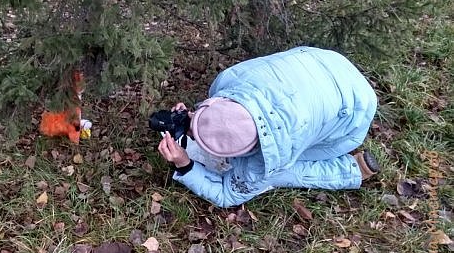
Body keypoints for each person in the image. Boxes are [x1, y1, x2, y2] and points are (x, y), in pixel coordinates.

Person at [157, 46, 379, 208]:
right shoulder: (228, 81)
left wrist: (184, 165)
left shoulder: (266, 158)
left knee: (277, 171)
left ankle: (348, 171)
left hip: (357, 109)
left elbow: (226, 194)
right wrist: (195, 118)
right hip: (326, 60)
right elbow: (225, 116)